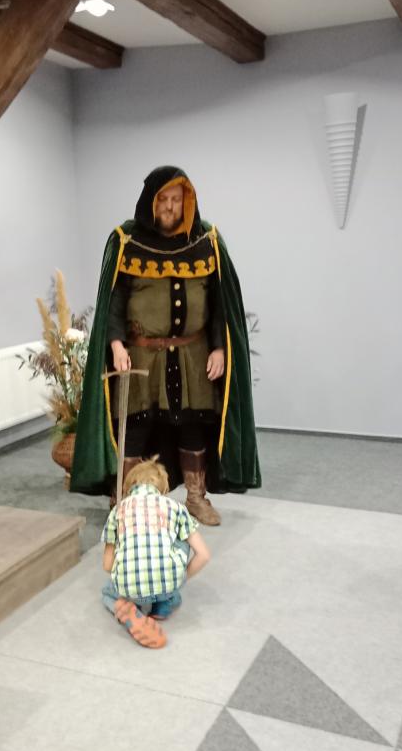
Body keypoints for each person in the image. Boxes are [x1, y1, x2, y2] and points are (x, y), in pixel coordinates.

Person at [71, 165, 261, 525]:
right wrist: (116, 344)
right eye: (164, 200)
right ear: (150, 202)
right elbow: (114, 299)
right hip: (141, 354)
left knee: (193, 425)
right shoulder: (127, 241)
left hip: (194, 355)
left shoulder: (206, 240)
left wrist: (220, 347)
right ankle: (124, 500)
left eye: (177, 199)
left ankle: (196, 498)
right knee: (134, 427)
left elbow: (220, 301)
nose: (171, 207)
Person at [101, 457, 210, 649]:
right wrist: (180, 577)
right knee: (180, 539)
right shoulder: (176, 508)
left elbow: (107, 565)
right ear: (164, 488)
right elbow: (203, 555)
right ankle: (163, 604)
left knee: (107, 592)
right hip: (168, 586)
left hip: (130, 590)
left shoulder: (117, 511)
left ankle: (128, 609)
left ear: (128, 487)